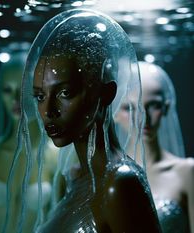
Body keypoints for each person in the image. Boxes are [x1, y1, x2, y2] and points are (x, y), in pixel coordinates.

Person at [16, 9, 162, 233]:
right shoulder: (78, 177)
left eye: (65, 93)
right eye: (40, 96)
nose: (48, 111)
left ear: (106, 93)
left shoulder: (120, 184)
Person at [0, 52, 59, 233]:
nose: (16, 98)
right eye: (7, 90)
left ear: (42, 92)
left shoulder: (56, 155)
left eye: (24, 89)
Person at [115, 61, 194, 233]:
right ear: (114, 113)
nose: (143, 118)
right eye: (129, 108)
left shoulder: (187, 172)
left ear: (165, 108)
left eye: (154, 105)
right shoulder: (104, 174)